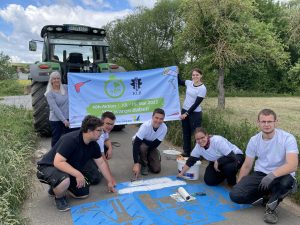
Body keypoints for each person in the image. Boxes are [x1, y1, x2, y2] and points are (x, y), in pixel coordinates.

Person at [229, 109, 298, 224]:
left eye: (270, 121)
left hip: (282, 174)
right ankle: (267, 197)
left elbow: (292, 165)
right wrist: (239, 185)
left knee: (287, 182)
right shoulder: (254, 140)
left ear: (276, 122)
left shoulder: (287, 138)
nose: (266, 124)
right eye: (263, 121)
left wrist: (272, 175)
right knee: (235, 195)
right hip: (260, 174)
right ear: (258, 122)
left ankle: (270, 210)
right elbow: (247, 165)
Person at [36, 115, 116, 212]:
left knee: (83, 193)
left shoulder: (93, 144)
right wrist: (77, 174)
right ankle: (59, 198)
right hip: (47, 167)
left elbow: (101, 163)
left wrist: (109, 181)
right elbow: (58, 162)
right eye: (99, 130)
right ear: (90, 131)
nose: (101, 132)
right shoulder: (71, 140)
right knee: (64, 181)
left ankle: (55, 188)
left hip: (65, 168)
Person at [178, 127, 245, 186]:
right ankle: (225, 174)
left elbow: (232, 156)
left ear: (207, 135)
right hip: (219, 161)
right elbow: (191, 161)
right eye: (198, 139)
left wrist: (218, 161)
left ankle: (232, 183)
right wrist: (181, 173)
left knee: (229, 168)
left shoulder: (217, 141)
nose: (200, 141)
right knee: (209, 181)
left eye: (202, 137)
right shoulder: (198, 147)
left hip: (235, 157)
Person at [80, 111, 116, 185]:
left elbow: (107, 139)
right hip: (82, 155)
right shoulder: (99, 135)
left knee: (105, 148)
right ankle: (79, 172)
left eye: (112, 124)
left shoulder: (104, 131)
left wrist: (110, 148)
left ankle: (93, 165)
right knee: (96, 178)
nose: (110, 126)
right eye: (108, 123)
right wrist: (110, 178)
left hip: (90, 150)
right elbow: (103, 159)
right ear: (102, 122)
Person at [178, 68, 207, 157]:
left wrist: (186, 114)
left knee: (197, 135)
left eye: (197, 75)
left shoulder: (202, 88)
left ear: (201, 76)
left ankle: (197, 154)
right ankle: (186, 152)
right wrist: (177, 73)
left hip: (195, 113)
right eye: (193, 75)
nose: (195, 76)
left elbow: (196, 104)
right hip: (184, 110)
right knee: (186, 132)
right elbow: (178, 81)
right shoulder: (189, 83)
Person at [132, 108, 167, 178]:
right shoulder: (145, 126)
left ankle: (146, 159)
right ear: (152, 117)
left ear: (163, 119)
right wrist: (136, 163)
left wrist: (144, 142)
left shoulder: (164, 128)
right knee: (143, 147)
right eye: (156, 118)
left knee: (156, 169)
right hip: (138, 142)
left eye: (161, 119)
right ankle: (143, 164)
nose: (158, 121)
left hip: (151, 145)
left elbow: (155, 145)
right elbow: (136, 144)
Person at [45, 71, 70, 147]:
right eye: (54, 78)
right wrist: (64, 120)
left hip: (68, 118)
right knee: (56, 140)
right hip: (56, 120)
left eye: (58, 78)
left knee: (68, 139)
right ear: (51, 80)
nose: (56, 80)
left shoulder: (65, 87)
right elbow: (55, 109)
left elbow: (77, 86)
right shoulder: (49, 93)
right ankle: (53, 156)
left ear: (60, 79)